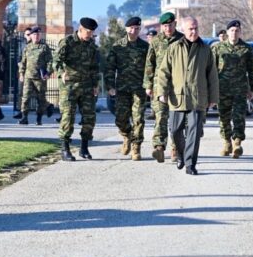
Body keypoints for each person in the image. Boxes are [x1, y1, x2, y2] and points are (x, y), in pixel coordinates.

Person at [157, 16, 219, 175]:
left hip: (198, 97)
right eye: (191, 29)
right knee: (175, 130)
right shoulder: (174, 48)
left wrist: (213, 98)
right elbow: (164, 72)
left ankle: (190, 164)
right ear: (183, 30)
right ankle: (181, 154)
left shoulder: (205, 49)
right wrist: (162, 92)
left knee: (194, 133)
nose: (194, 31)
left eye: (196, 28)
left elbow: (212, 75)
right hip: (177, 97)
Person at [54, 17, 100, 161]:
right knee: (68, 117)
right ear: (80, 29)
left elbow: (94, 67)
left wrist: (95, 84)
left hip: (87, 86)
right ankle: (65, 149)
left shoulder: (92, 46)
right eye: (88, 32)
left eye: (92, 32)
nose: (90, 35)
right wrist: (62, 72)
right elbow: (56, 61)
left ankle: (84, 148)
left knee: (89, 117)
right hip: (69, 87)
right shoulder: (67, 42)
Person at [212, 20, 253, 158]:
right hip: (222, 89)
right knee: (224, 117)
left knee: (239, 116)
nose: (234, 33)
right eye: (232, 30)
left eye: (237, 31)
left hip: (240, 89)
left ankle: (237, 142)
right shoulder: (218, 48)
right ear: (227, 32)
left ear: (240, 32)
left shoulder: (246, 49)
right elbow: (211, 70)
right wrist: (211, 89)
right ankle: (227, 142)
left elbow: (252, 70)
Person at [105, 16, 149, 161]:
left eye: (137, 28)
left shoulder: (145, 47)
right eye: (131, 28)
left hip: (139, 90)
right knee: (121, 119)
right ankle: (127, 136)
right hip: (122, 89)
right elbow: (110, 68)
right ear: (126, 29)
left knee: (138, 119)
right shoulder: (118, 46)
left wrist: (150, 85)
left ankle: (136, 148)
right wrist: (110, 86)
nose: (134, 31)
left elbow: (150, 68)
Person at [143, 12, 184, 163]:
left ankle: (175, 149)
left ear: (175, 24)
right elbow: (149, 64)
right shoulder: (156, 41)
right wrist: (148, 85)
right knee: (160, 117)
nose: (168, 28)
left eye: (170, 25)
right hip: (159, 85)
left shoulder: (182, 40)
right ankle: (159, 147)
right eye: (165, 26)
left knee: (176, 119)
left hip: (177, 86)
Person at [17, 26, 54, 125]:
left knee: (40, 98)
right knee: (25, 97)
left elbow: (50, 61)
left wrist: (48, 73)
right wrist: (21, 73)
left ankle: (39, 118)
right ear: (31, 36)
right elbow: (23, 62)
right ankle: (24, 117)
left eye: (38, 34)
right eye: (34, 34)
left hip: (40, 77)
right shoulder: (27, 47)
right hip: (28, 76)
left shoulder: (44, 47)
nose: (36, 36)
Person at [13, 27, 32, 120]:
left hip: (33, 73)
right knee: (21, 93)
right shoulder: (22, 45)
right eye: (27, 34)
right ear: (24, 35)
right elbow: (19, 58)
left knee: (37, 93)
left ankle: (46, 107)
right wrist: (21, 70)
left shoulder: (37, 45)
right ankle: (21, 111)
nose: (29, 36)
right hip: (24, 73)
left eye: (30, 34)